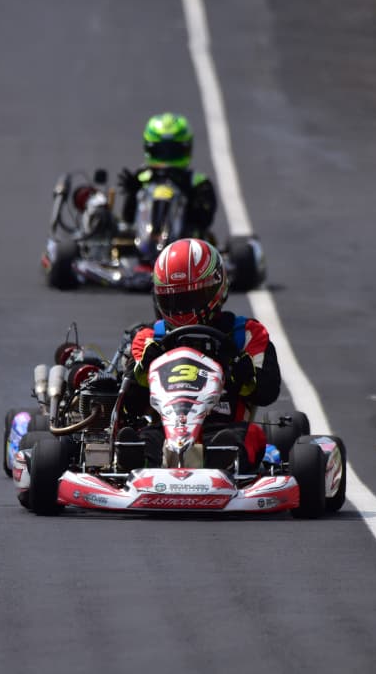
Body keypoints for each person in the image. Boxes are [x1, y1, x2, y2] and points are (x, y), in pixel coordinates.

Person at [119, 238, 280, 469]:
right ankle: (139, 461)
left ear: (215, 289)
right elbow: (129, 405)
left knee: (248, 437)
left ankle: (221, 464)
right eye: (172, 300)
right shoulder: (149, 339)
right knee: (144, 439)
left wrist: (240, 372)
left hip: (224, 428)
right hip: (166, 433)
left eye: (188, 299)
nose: (180, 310)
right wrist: (143, 369)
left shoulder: (245, 334)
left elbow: (268, 391)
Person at [117, 112, 218, 241]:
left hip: (183, 242)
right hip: (140, 240)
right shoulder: (141, 177)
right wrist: (132, 192)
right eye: (161, 151)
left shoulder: (196, 181)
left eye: (173, 151)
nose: (166, 159)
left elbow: (205, 219)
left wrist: (187, 192)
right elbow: (128, 217)